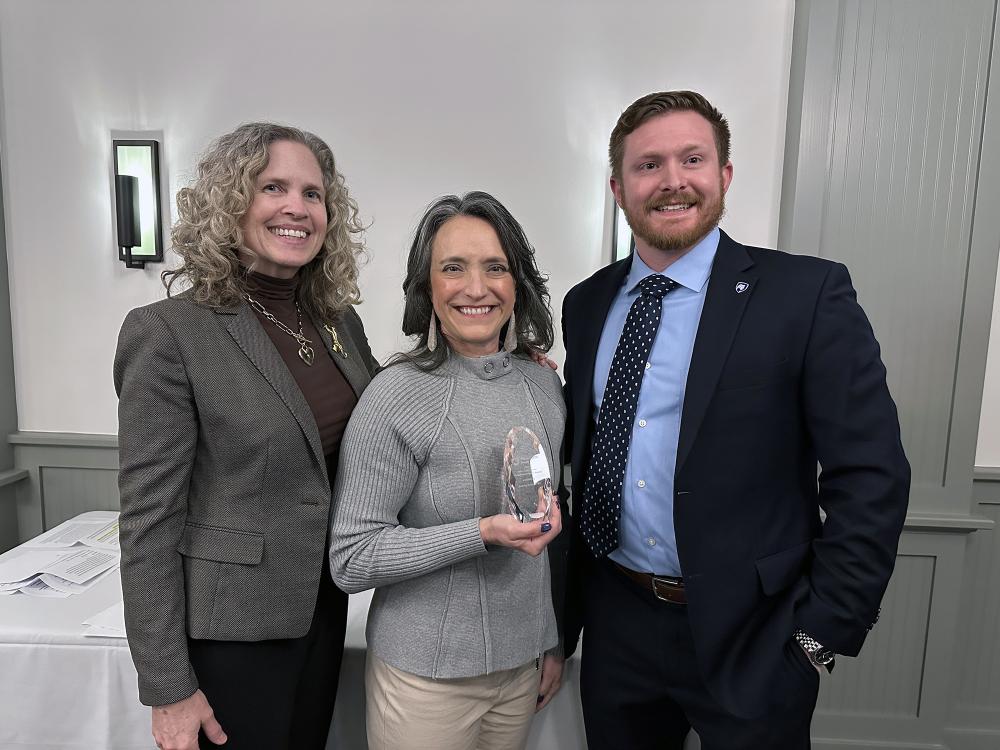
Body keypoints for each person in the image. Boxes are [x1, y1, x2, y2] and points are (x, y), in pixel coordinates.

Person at [561, 91, 911, 749]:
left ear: (723, 175)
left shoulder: (805, 296)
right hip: (617, 626)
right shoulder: (587, 305)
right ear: (617, 186)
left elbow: (871, 476)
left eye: (692, 159)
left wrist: (818, 634)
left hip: (758, 637)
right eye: (648, 165)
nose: (672, 180)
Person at [114, 123, 379, 750]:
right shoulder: (168, 332)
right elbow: (148, 521)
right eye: (273, 187)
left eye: (313, 194)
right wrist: (168, 686)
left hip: (321, 611)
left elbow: (372, 429)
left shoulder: (338, 322)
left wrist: (498, 362)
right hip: (228, 635)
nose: (297, 208)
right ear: (230, 202)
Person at [329, 191, 567, 750]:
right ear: (427, 287)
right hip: (424, 683)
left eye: (496, 268)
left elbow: (549, 516)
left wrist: (548, 640)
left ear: (518, 284)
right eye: (453, 268)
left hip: (521, 669)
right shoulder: (397, 395)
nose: (476, 288)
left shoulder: (543, 385)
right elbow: (352, 557)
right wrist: (481, 533)